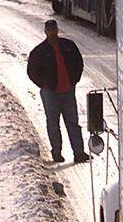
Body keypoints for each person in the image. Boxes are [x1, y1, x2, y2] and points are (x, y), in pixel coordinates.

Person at [26, 19, 90, 164]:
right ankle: (56, 153)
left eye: (53, 29)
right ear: (45, 32)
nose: (51, 32)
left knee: (73, 122)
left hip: (68, 91)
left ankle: (79, 153)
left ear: (57, 30)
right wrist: (44, 85)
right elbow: (31, 71)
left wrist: (74, 80)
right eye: (49, 30)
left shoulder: (68, 46)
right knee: (53, 123)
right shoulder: (39, 51)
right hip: (50, 93)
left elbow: (78, 63)